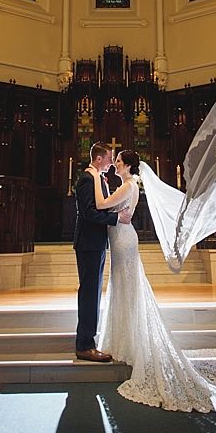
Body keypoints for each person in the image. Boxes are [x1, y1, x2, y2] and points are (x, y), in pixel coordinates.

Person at [89, 150, 216, 413]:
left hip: (124, 240)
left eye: (118, 161)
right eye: (113, 161)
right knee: (123, 290)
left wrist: (95, 177)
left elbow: (102, 204)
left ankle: (131, 342)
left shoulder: (128, 185)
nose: (115, 164)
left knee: (128, 290)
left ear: (128, 166)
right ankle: (123, 341)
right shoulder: (130, 184)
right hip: (120, 239)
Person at [73, 142, 132, 362]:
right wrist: (117, 218)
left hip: (95, 242)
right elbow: (88, 213)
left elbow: (101, 205)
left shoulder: (97, 179)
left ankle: (88, 340)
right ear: (99, 159)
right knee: (89, 293)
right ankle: (85, 345)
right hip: (89, 243)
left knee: (93, 292)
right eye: (109, 158)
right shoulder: (87, 180)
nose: (111, 162)